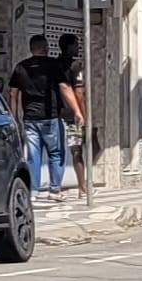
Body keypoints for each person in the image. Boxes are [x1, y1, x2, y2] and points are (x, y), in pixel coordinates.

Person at [8, 34, 82, 201]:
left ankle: (33, 191)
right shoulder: (53, 65)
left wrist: (15, 117)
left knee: (33, 155)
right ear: (46, 47)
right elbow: (64, 87)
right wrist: (77, 110)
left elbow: (13, 94)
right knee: (56, 153)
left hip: (30, 118)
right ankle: (55, 190)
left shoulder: (20, 67)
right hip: (50, 117)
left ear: (31, 48)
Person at [57, 33, 88, 199]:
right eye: (76, 44)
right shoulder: (75, 66)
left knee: (56, 152)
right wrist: (83, 114)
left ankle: (55, 188)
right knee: (77, 151)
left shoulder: (54, 64)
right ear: (68, 47)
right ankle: (83, 188)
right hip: (71, 117)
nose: (78, 47)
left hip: (54, 115)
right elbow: (79, 92)